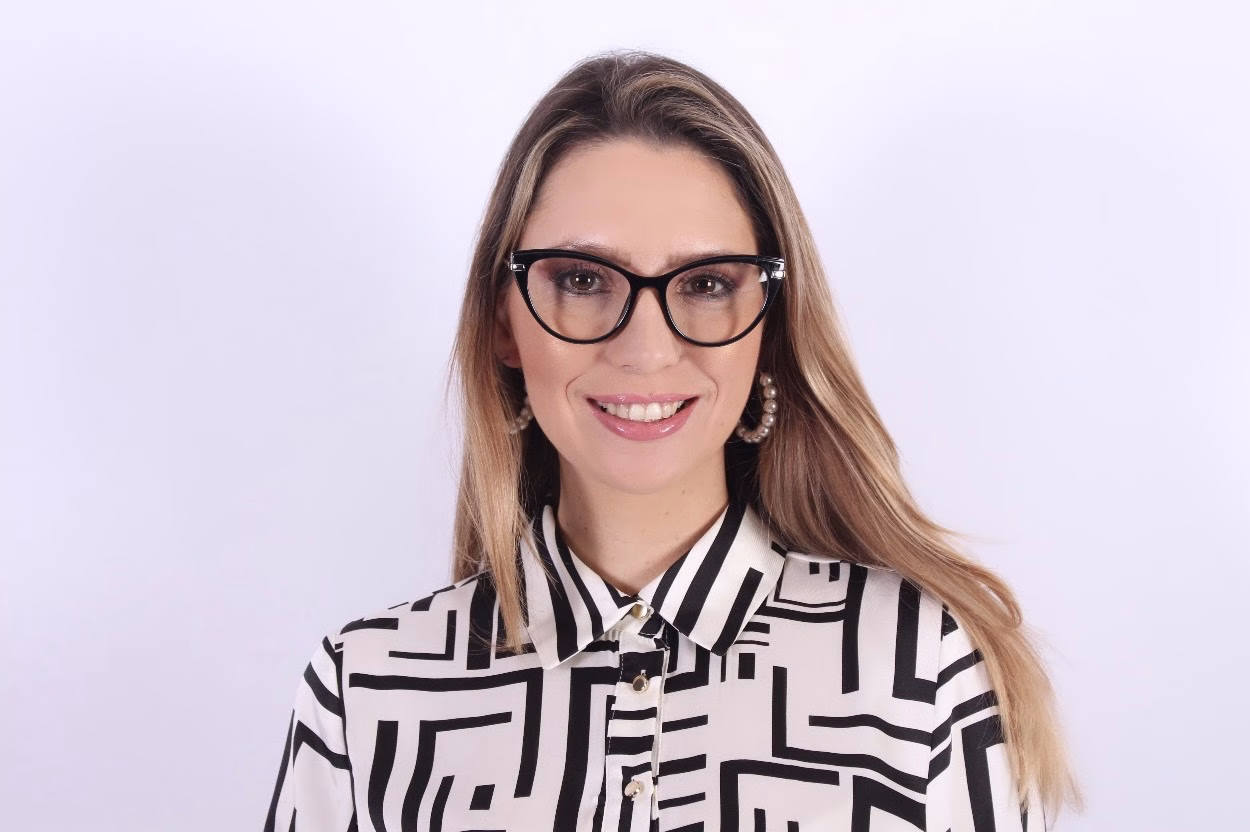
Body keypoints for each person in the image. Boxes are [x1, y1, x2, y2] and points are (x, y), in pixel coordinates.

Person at [264, 51, 1078, 832]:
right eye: (583, 279)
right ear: (503, 321)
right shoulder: (365, 693)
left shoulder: (920, 667)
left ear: (770, 323)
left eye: (706, 284)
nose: (647, 348)